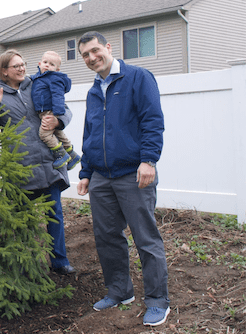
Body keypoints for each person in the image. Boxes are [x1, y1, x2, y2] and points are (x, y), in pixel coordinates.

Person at [76, 31, 169, 326]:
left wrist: (148, 160)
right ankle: (119, 291)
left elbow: (153, 121)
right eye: (85, 55)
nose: (92, 58)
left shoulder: (138, 78)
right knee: (106, 237)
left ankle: (157, 300)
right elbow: (90, 134)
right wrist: (86, 172)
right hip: (102, 177)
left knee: (145, 238)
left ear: (108, 47)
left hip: (133, 173)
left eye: (94, 51)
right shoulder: (93, 90)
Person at [0, 49, 76, 276]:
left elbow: (65, 109)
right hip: (20, 167)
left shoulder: (38, 84)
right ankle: (26, 262)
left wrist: (58, 119)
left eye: (23, 64)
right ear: (4, 71)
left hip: (48, 163)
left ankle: (59, 260)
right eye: (16, 66)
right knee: (22, 219)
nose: (22, 68)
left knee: (54, 214)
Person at [31, 51, 80, 170]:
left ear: (57, 69)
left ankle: (60, 154)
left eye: (51, 64)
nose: (47, 65)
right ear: (39, 63)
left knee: (44, 134)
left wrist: (57, 114)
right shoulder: (38, 78)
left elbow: (58, 95)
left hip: (50, 111)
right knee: (58, 133)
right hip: (44, 111)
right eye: (45, 62)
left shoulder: (54, 78)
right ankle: (72, 154)